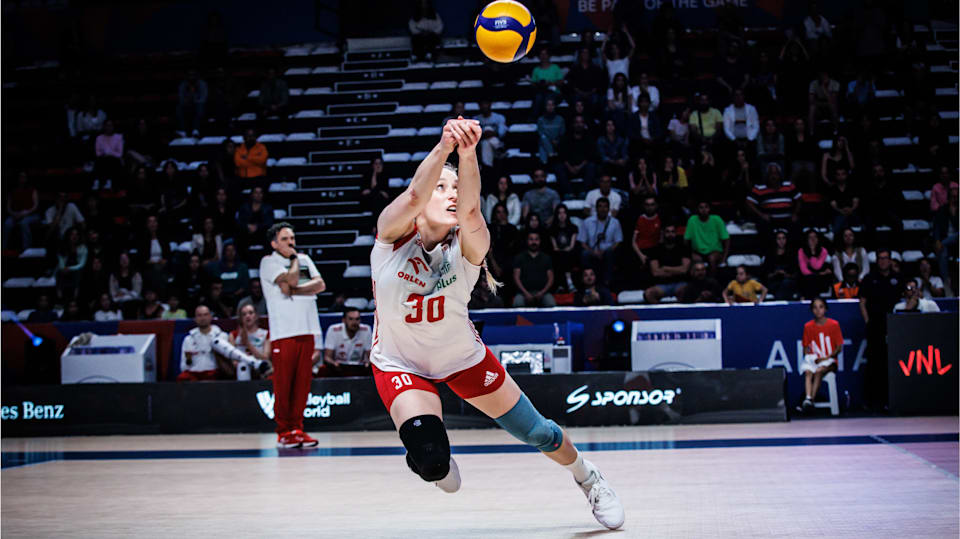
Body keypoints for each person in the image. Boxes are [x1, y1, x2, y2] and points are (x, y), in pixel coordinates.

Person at [367, 116, 623, 529]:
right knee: (433, 463)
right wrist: (444, 145)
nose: (451, 195)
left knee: (539, 433)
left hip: (463, 359)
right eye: (442, 188)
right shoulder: (390, 235)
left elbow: (470, 209)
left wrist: (467, 153)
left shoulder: (470, 246)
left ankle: (588, 477)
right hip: (400, 363)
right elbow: (415, 193)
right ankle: (436, 463)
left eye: (456, 187)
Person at [259, 222, 326, 448]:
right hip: (284, 332)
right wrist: (295, 261)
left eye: (292, 238)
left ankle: (297, 428)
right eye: (286, 239)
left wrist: (294, 290)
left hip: (307, 329)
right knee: (283, 384)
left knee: (302, 386)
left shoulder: (306, 259)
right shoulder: (269, 262)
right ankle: (283, 432)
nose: (291, 243)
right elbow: (294, 279)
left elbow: (320, 285)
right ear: (274, 243)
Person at [859, 248, 901, 410]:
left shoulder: (897, 278)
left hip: (895, 327)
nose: (883, 261)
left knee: (891, 362)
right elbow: (862, 302)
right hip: (875, 326)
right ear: (876, 261)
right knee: (873, 363)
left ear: (890, 260)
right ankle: (870, 401)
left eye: (886, 258)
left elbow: (907, 298)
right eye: (880, 258)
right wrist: (868, 321)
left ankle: (890, 399)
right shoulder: (870, 279)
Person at [799, 298, 842, 412]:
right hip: (815, 360)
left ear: (825, 309)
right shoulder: (808, 326)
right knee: (808, 372)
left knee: (819, 371)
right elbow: (805, 347)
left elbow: (839, 348)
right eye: (815, 307)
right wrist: (809, 358)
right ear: (812, 310)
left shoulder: (834, 324)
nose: (818, 310)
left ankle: (810, 401)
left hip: (830, 361)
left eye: (821, 307)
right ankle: (808, 399)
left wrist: (825, 358)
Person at [745, 164, 801, 238]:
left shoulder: (789, 185)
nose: (773, 176)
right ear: (767, 175)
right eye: (771, 173)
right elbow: (749, 202)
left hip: (788, 219)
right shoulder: (760, 187)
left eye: (775, 173)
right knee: (762, 225)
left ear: (780, 175)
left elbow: (799, 199)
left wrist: (795, 213)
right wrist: (761, 214)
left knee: (797, 225)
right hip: (770, 221)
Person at [578, 197, 623, 287]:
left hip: (608, 251)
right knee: (584, 254)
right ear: (596, 208)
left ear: (609, 209)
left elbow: (618, 241)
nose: (603, 209)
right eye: (600, 207)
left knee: (610, 253)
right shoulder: (587, 222)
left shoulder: (615, 222)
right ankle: (587, 283)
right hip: (592, 251)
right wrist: (592, 251)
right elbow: (582, 242)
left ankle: (607, 282)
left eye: (605, 207)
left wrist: (606, 251)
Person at [178, 305, 227, 382]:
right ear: (195, 319)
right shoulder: (188, 339)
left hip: (214, 373)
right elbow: (183, 367)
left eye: (205, 315)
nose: (203, 318)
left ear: (210, 316)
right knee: (182, 378)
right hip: (194, 375)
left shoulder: (221, 336)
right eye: (199, 315)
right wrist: (189, 360)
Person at [643, 224, 691, 304]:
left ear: (675, 233)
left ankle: (680, 313)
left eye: (672, 232)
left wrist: (665, 268)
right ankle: (659, 314)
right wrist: (676, 271)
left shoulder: (683, 248)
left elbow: (684, 270)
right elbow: (655, 272)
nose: (670, 234)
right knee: (648, 294)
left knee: (686, 290)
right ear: (663, 234)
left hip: (680, 283)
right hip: (662, 286)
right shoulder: (656, 250)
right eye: (667, 232)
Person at [320, 307, 373, 377]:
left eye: (357, 319)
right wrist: (334, 364)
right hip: (338, 368)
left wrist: (368, 364)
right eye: (351, 319)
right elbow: (327, 357)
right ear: (344, 320)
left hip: (360, 369)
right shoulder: (333, 330)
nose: (354, 322)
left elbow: (370, 356)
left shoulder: (366, 330)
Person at [229, 301, 272, 379]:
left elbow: (265, 358)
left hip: (260, 371)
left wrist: (247, 344)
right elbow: (234, 362)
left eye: (250, 313)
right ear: (241, 318)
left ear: (256, 316)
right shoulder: (233, 335)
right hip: (242, 371)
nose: (247, 316)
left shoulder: (266, 334)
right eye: (244, 314)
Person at [556, 114, 598, 195]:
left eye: (581, 122)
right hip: (569, 167)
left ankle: (584, 192)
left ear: (584, 124)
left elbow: (590, 156)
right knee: (559, 168)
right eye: (576, 122)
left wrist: (579, 167)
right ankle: (569, 193)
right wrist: (570, 167)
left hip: (583, 167)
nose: (579, 125)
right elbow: (562, 155)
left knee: (592, 166)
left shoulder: (589, 138)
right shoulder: (566, 138)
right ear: (573, 124)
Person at [512, 231, 556, 308]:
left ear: (540, 241)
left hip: (543, 292)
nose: (534, 242)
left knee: (551, 304)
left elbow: (551, 278)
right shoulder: (519, 258)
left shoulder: (546, 258)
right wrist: (526, 293)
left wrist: (542, 292)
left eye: (536, 239)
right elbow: (516, 278)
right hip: (523, 292)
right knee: (518, 303)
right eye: (531, 239)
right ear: (527, 241)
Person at [684, 201, 730, 273]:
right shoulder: (692, 220)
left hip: (715, 251)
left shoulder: (717, 219)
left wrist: (724, 258)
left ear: (709, 209)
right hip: (698, 252)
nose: (704, 210)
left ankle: (712, 280)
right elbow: (686, 240)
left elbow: (726, 239)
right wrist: (691, 253)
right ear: (697, 209)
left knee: (712, 258)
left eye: (706, 207)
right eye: (701, 207)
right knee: (696, 261)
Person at [3, 171, 40, 250]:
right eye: (20, 177)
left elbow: (35, 206)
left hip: (31, 215)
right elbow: (8, 207)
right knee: (7, 223)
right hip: (15, 215)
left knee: (24, 223)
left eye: (24, 177)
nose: (22, 179)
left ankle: (26, 249)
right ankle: (3, 248)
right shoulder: (12, 191)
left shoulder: (32, 190)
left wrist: (26, 213)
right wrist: (13, 213)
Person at [548, 204, 579, 292]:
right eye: (559, 213)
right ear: (556, 215)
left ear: (567, 214)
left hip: (570, 253)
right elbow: (555, 247)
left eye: (564, 213)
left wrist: (565, 250)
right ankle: (568, 283)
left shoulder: (573, 228)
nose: (562, 215)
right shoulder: (552, 229)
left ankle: (563, 283)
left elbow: (571, 246)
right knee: (558, 255)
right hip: (558, 254)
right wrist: (561, 250)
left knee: (566, 255)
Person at [797, 229, 833, 299]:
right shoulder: (801, 251)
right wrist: (819, 273)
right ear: (806, 239)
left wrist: (812, 253)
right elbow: (804, 270)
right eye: (810, 237)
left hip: (821, 280)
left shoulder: (823, 251)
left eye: (815, 237)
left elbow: (817, 266)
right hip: (807, 278)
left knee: (813, 281)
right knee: (808, 280)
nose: (813, 239)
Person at [237, 186, 274, 251]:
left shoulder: (268, 208)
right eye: (256, 192)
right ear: (252, 194)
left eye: (260, 193)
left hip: (262, 234)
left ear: (263, 195)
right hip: (247, 233)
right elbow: (240, 222)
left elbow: (269, 223)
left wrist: (257, 227)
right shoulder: (244, 207)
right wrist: (247, 226)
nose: (258, 195)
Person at [474, 100, 507, 170]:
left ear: (490, 104)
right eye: (482, 105)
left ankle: (488, 168)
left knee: (487, 141)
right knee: (485, 140)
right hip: (481, 143)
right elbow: (475, 135)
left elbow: (502, 132)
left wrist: (493, 133)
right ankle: (499, 149)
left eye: (486, 104)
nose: (484, 106)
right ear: (479, 106)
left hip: (496, 139)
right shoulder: (476, 119)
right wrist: (484, 134)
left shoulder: (499, 117)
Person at [632, 196, 661, 270]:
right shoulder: (639, 219)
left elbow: (662, 238)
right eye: (647, 205)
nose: (650, 207)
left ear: (656, 206)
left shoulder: (660, 218)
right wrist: (641, 256)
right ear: (644, 206)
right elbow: (633, 242)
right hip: (641, 251)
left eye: (652, 204)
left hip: (655, 251)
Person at [827, 168, 859, 236]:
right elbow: (833, 205)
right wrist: (841, 210)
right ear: (835, 176)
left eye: (843, 174)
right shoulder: (832, 189)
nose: (841, 176)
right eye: (838, 174)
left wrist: (851, 209)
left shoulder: (852, 187)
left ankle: (832, 233)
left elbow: (856, 202)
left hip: (852, 212)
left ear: (846, 175)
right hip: (838, 213)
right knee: (840, 217)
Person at [177, 70, 208, 137]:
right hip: (187, 104)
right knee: (179, 108)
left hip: (198, 103)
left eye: (193, 75)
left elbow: (203, 97)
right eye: (190, 75)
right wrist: (187, 102)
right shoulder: (183, 85)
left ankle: (195, 129)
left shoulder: (201, 84)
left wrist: (194, 101)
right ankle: (182, 131)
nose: (191, 77)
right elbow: (181, 97)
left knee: (200, 107)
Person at [808, 70, 840, 135]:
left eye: (824, 75)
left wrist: (823, 87)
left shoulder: (835, 83)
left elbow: (833, 100)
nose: (822, 77)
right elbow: (811, 100)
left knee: (833, 106)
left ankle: (835, 131)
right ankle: (811, 132)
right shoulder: (813, 83)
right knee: (812, 108)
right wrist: (818, 103)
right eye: (821, 75)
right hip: (818, 103)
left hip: (830, 103)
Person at [536, 98, 566, 165]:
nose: (550, 107)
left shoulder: (560, 119)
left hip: (557, 143)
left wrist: (556, 140)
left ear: (555, 106)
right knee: (542, 139)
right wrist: (550, 141)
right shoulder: (540, 120)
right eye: (548, 105)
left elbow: (562, 133)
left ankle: (545, 162)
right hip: (546, 142)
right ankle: (549, 155)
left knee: (542, 143)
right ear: (545, 107)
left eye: (552, 105)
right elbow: (541, 133)